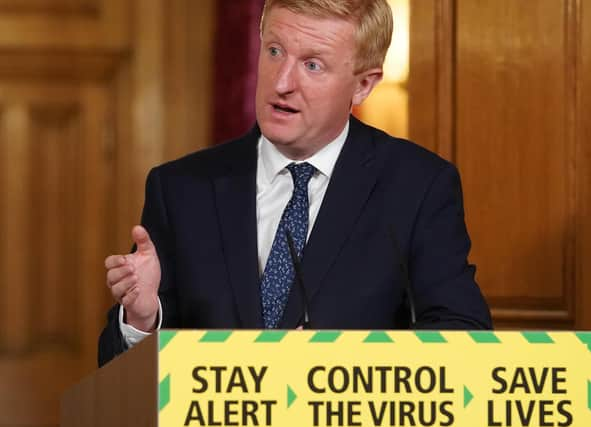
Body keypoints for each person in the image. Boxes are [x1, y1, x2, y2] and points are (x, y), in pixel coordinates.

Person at [99, 0, 492, 367]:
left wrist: (343, 367)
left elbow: (463, 336)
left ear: (363, 85)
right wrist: (143, 320)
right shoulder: (181, 190)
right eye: (274, 52)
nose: (282, 82)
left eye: (313, 65)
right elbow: (116, 376)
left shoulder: (417, 187)